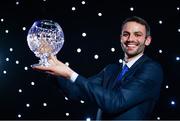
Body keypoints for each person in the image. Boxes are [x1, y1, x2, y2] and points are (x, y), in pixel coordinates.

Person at [32, 16, 163, 120]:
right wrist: (50, 62)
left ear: (147, 40)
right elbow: (75, 91)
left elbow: (116, 103)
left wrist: (69, 73)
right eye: (126, 34)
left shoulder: (152, 69)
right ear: (120, 38)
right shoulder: (111, 69)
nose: (131, 39)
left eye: (138, 34)